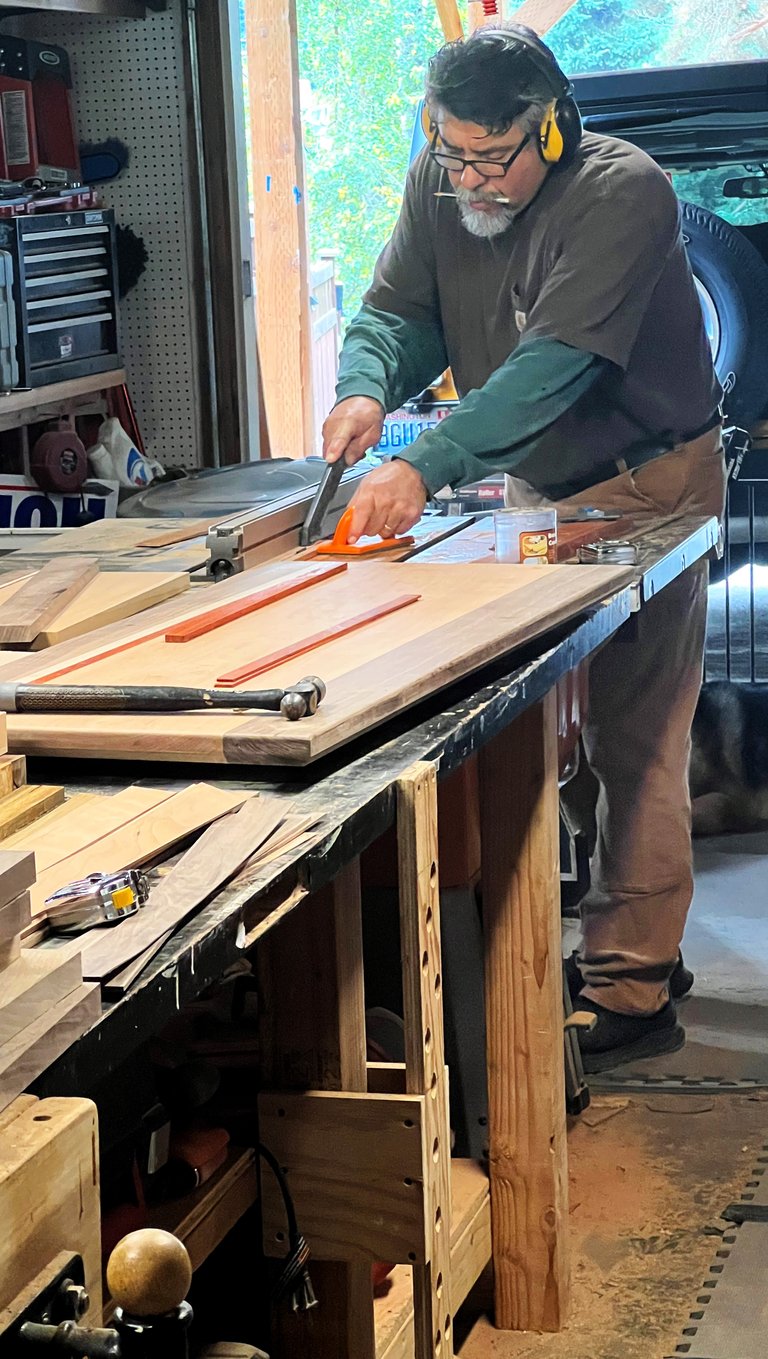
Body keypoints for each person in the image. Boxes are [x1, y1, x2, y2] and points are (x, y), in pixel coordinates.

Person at [321, 22, 726, 1072]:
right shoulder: (443, 176)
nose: (467, 176)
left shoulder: (617, 190)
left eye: (488, 157)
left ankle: (632, 990)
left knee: (638, 732)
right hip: (545, 480)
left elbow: (555, 368)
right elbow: (399, 309)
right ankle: (628, 934)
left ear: (546, 132)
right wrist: (367, 383)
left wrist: (428, 462)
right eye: (448, 150)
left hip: (650, 481)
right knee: (559, 722)